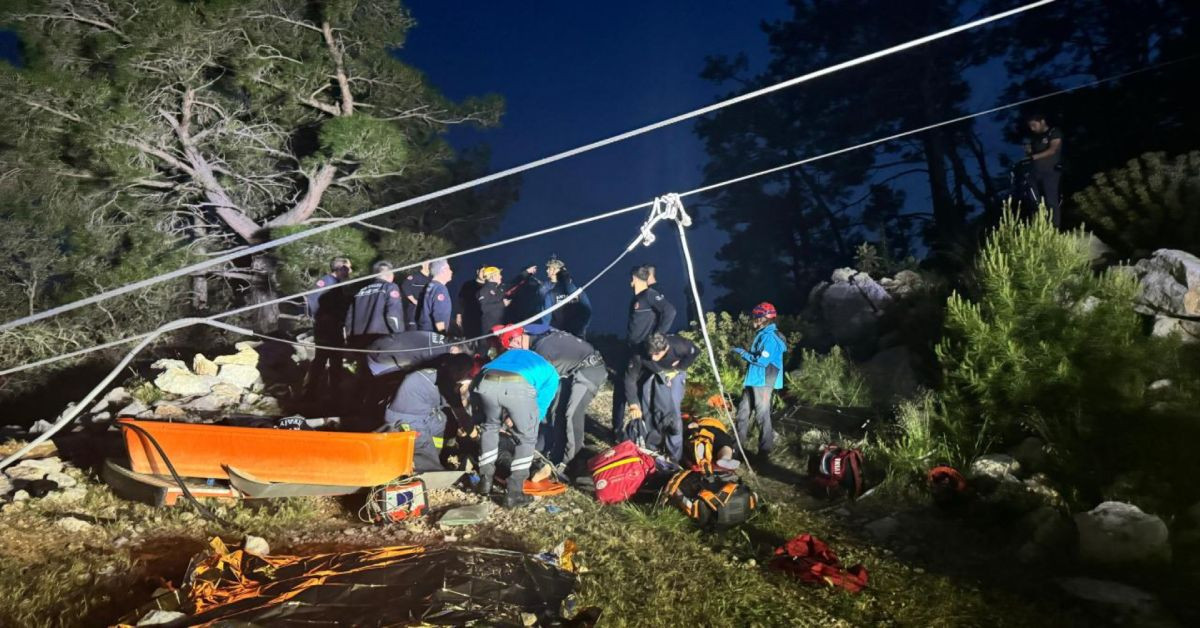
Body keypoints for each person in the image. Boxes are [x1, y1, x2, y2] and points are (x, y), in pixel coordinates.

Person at [468, 328, 559, 508]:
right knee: (526, 438)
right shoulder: (550, 373)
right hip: (518, 384)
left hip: (486, 380)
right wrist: (523, 421)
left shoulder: (508, 356)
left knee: (489, 429)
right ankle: (514, 492)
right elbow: (540, 407)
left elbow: (476, 385)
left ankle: (485, 481)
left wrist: (478, 416)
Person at [500, 325, 606, 474]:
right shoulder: (538, 338)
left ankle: (572, 461)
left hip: (591, 369)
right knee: (557, 411)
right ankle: (556, 457)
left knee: (572, 413)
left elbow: (533, 391)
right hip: (572, 372)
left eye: (511, 349)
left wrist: (513, 416)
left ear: (517, 341)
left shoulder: (541, 351)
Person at [612, 265, 676, 439]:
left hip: (643, 351)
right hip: (630, 348)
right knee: (622, 388)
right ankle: (617, 430)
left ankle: (641, 432)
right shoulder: (637, 298)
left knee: (636, 387)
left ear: (634, 278)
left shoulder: (649, 294)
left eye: (631, 278)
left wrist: (658, 335)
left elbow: (670, 311)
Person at [624, 333, 698, 462]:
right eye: (650, 354)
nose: (653, 357)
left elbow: (695, 351)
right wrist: (633, 404)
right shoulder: (640, 353)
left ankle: (674, 457)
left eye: (657, 354)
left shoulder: (679, 345)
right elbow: (630, 379)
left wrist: (679, 368)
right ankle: (652, 449)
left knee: (672, 416)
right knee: (649, 412)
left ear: (666, 348)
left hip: (674, 374)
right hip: (651, 374)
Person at [344, 261, 405, 409]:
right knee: (383, 377)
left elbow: (349, 319)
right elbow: (393, 316)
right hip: (380, 341)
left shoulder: (361, 291)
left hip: (360, 341)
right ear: (389, 274)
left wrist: (350, 341)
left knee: (362, 375)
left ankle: (354, 408)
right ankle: (374, 410)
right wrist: (400, 338)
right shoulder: (390, 288)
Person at [731, 302, 787, 457]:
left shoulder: (771, 338)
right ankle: (735, 449)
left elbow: (762, 361)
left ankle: (765, 451)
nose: (753, 319)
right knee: (742, 413)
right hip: (753, 380)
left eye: (756, 317)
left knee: (762, 415)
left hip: (764, 382)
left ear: (764, 319)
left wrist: (742, 353)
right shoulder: (762, 335)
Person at [304, 257, 353, 401]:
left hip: (335, 327)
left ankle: (334, 392)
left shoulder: (338, 284)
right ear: (340, 268)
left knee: (336, 359)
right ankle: (309, 393)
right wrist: (321, 318)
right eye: (348, 267)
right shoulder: (326, 282)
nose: (350, 270)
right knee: (321, 359)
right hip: (326, 328)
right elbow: (312, 299)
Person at [1024, 113, 1064, 226]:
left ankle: (1055, 228)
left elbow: (1053, 150)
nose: (1032, 128)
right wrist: (1028, 151)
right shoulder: (1035, 138)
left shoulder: (1054, 132)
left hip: (1051, 171)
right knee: (1033, 199)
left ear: (1042, 121)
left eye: (1034, 125)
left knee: (1051, 201)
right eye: (1030, 126)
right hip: (1036, 172)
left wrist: (1034, 156)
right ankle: (1040, 225)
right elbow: (1031, 155)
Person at [541, 257, 593, 337]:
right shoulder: (578, 291)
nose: (547, 270)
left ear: (557, 271)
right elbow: (588, 311)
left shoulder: (550, 293)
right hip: (576, 335)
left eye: (550, 268)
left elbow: (546, 319)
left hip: (559, 335)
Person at [418, 259, 454, 333]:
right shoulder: (440, 289)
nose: (451, 271)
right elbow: (439, 316)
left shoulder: (430, 286)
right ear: (443, 270)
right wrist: (443, 336)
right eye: (449, 269)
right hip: (434, 335)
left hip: (424, 332)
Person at [399, 262, 431, 330]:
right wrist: (414, 301)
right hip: (414, 308)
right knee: (413, 329)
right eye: (428, 263)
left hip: (427, 308)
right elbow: (405, 286)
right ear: (423, 264)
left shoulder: (432, 278)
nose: (430, 265)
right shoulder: (415, 276)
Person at [477, 266, 508, 336]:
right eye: (499, 275)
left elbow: (512, 284)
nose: (501, 277)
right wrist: (502, 304)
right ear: (493, 276)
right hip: (489, 330)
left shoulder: (499, 289)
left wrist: (526, 272)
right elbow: (483, 308)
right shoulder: (484, 290)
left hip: (500, 327)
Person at [458, 266, 487, 338]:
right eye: (482, 271)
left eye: (486, 272)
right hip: (469, 318)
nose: (484, 273)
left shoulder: (489, 286)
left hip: (484, 320)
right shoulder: (468, 284)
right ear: (477, 271)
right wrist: (458, 315)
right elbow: (461, 300)